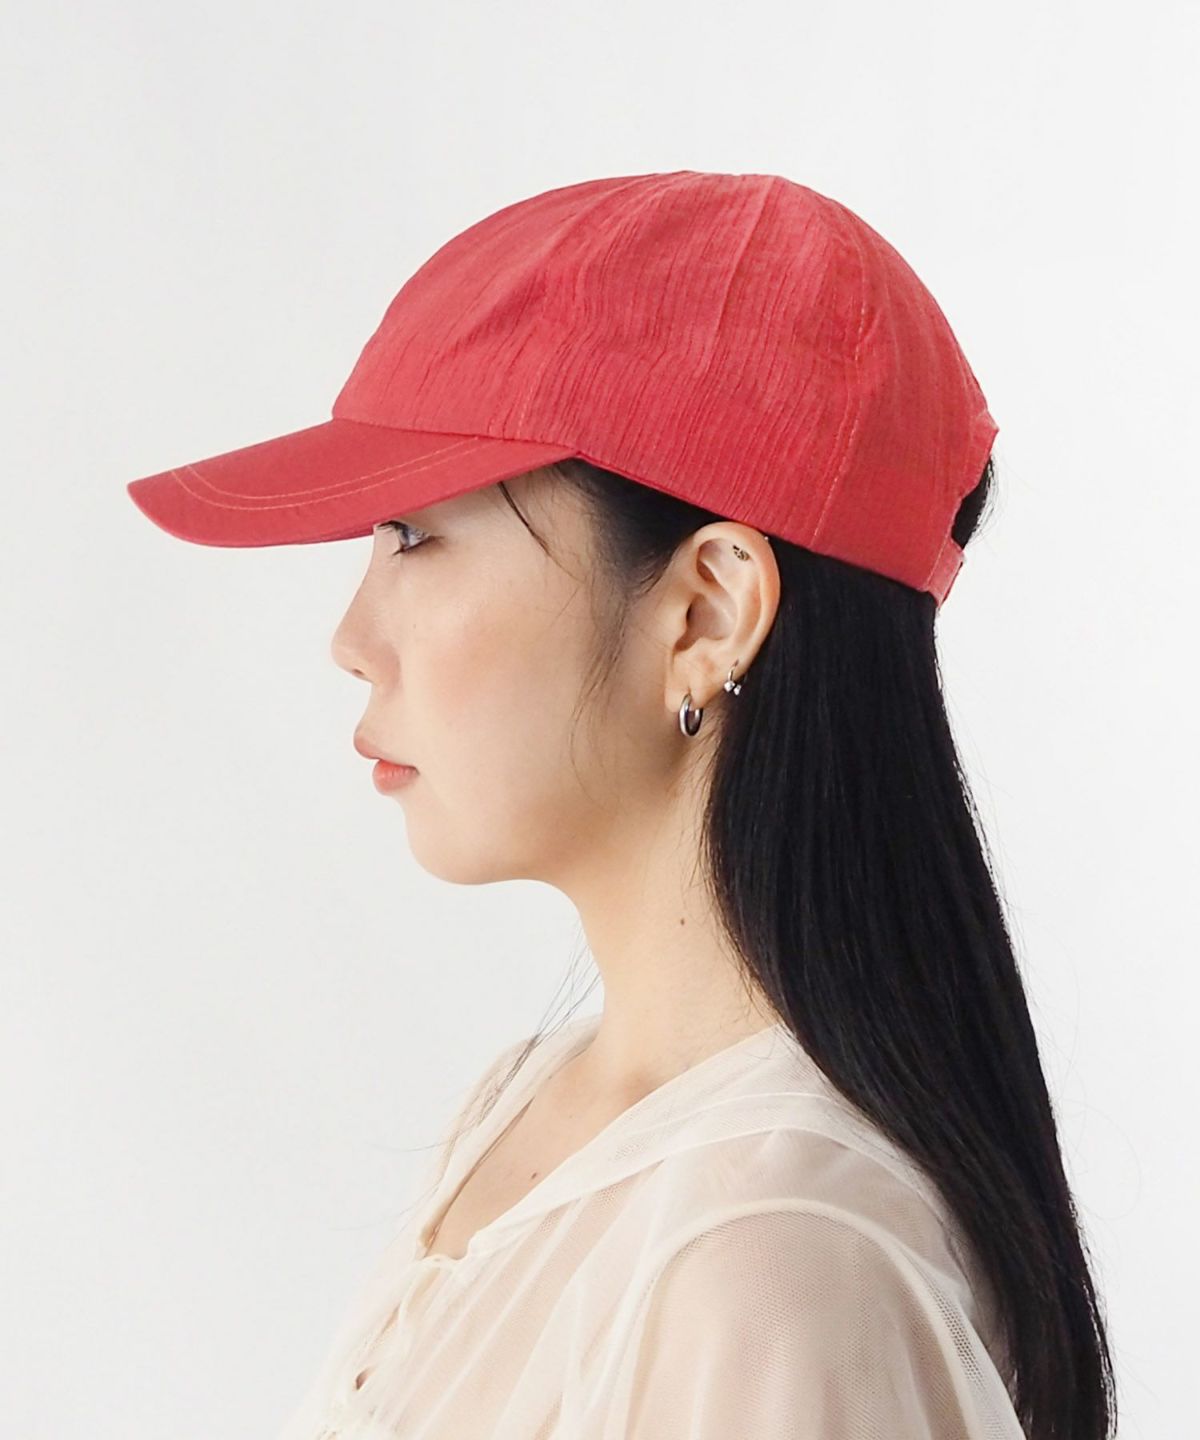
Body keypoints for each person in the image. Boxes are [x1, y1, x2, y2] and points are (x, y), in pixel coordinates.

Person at [125, 170, 1117, 1440]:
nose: (351, 639)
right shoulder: (533, 1107)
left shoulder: (771, 1263)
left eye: (414, 536)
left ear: (706, 611)